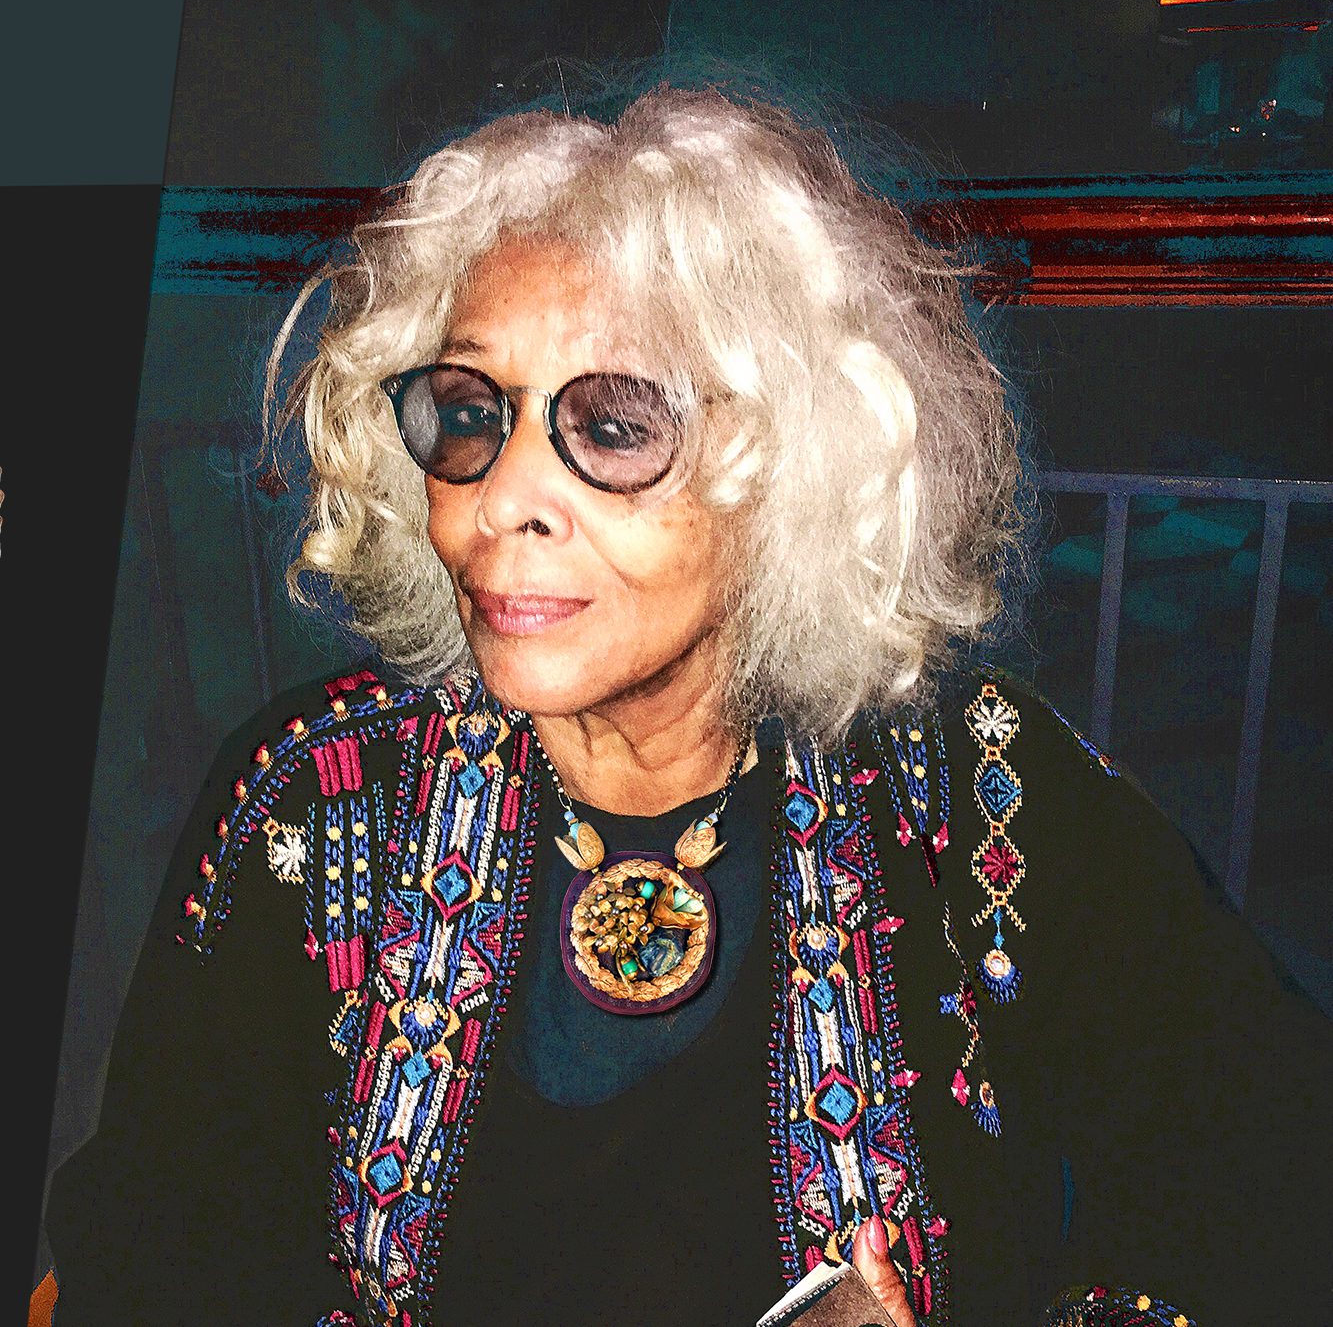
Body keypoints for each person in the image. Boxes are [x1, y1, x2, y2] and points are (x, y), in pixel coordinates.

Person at [42, 84, 1333, 1327]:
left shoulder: (970, 787)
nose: (502, 498)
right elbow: (148, 1248)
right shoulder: (316, 797)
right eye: (469, 414)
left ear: (782, 470)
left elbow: (1269, 1163)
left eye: (612, 426)